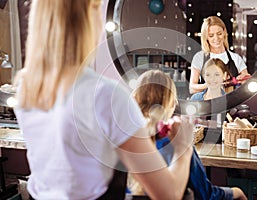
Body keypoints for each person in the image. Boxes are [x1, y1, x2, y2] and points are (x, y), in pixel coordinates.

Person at [13, 0, 194, 199]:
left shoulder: (26, 87)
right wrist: (183, 147)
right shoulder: (105, 95)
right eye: (95, 10)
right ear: (85, 20)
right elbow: (168, 195)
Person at [130, 70, 247, 200]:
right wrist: (236, 192)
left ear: (135, 99)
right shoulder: (176, 143)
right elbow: (205, 195)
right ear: (173, 103)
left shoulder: (125, 142)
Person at [189, 16, 250, 95]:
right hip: (208, 105)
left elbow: (246, 83)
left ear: (224, 32)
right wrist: (209, 85)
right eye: (211, 35)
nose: (216, 38)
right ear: (206, 37)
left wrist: (245, 80)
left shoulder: (236, 58)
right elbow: (192, 89)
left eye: (219, 34)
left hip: (232, 104)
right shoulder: (199, 57)